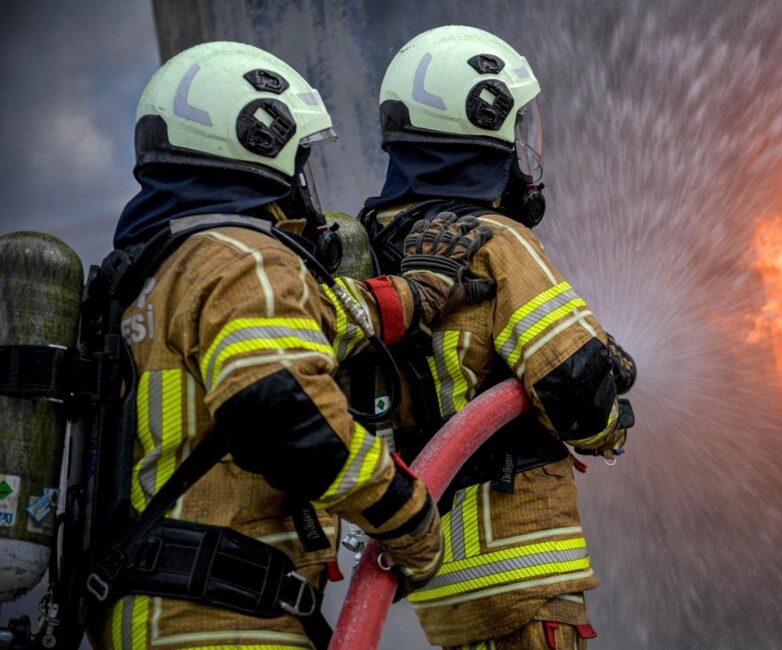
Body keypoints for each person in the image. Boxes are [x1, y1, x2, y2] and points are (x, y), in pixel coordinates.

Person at [91, 41, 494, 649]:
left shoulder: (156, 271)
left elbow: (315, 320)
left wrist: (414, 294)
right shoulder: (246, 258)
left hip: (152, 612)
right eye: (301, 158)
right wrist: (406, 511)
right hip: (226, 623)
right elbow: (282, 407)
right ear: (259, 142)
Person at [358, 25, 637, 650]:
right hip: (520, 566)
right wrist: (615, 419)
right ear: (483, 128)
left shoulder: (378, 247)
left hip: (442, 575)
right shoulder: (493, 239)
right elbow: (579, 390)